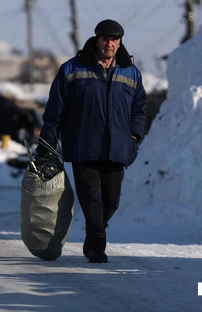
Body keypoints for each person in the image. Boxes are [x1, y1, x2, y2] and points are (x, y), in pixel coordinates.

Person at [36, 19, 146, 263]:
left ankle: (93, 233)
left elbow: (139, 107)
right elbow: (56, 109)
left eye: (114, 40)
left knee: (111, 200)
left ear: (120, 43)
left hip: (117, 147)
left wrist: (134, 134)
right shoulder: (71, 69)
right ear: (97, 40)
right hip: (84, 145)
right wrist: (47, 143)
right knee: (92, 199)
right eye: (105, 39)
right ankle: (96, 246)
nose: (109, 44)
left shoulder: (131, 72)